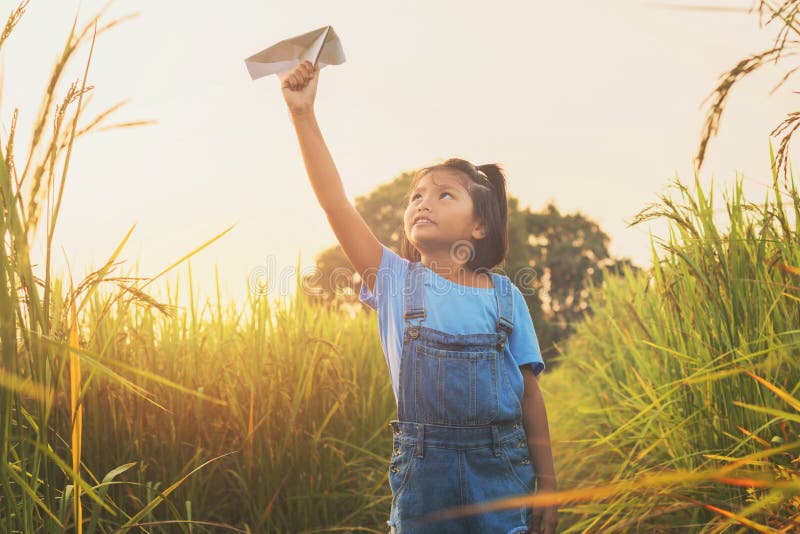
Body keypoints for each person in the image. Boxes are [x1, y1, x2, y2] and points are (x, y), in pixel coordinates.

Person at [279, 60, 558, 534]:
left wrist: (549, 485)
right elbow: (335, 202)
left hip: (503, 476)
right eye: (416, 196)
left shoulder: (506, 297)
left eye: (445, 195)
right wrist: (303, 115)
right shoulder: (392, 280)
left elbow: (531, 395)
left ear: (480, 226)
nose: (423, 202)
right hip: (424, 483)